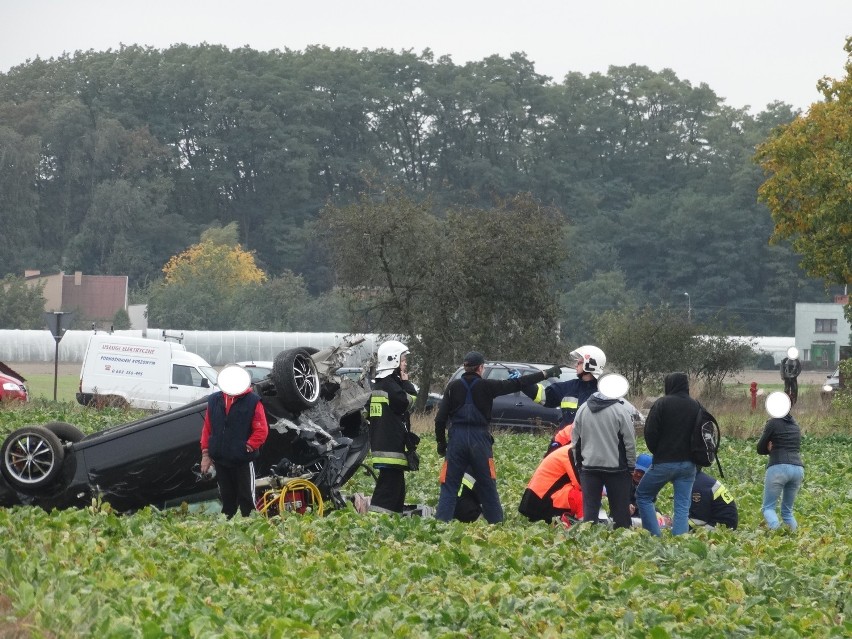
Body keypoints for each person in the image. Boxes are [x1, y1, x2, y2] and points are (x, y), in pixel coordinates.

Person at [434, 351, 562, 523]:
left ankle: (441, 525)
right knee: (487, 486)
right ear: (480, 368)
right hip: (480, 440)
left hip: (457, 438)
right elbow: (518, 383)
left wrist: (441, 444)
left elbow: (440, 419)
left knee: (449, 485)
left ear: (465, 367)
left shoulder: (453, 387)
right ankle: (496, 525)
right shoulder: (487, 386)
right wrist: (545, 374)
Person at [200, 365, 269, 518]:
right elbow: (207, 429)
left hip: (242, 460)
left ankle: (251, 530)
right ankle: (229, 533)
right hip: (220, 460)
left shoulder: (253, 401)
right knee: (227, 499)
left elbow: (261, 429)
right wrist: (206, 455)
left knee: (246, 500)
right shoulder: (214, 400)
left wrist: (248, 447)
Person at [635, 372, 700, 536]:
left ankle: (654, 536)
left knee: (643, 495)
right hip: (689, 464)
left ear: (669, 385)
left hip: (664, 462)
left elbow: (650, 432)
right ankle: (679, 541)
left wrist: (657, 451)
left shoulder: (662, 403)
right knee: (682, 505)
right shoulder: (696, 405)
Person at [572, 377, 636, 529]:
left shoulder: (582, 409)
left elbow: (575, 440)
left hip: (589, 467)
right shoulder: (621, 410)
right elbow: (629, 442)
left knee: (590, 510)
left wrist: (579, 463)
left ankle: (588, 542)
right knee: (620, 511)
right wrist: (631, 466)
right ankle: (622, 542)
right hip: (616, 468)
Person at [522, 345, 606, 455]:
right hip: (563, 444)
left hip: (590, 449)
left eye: (580, 362)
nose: (576, 365)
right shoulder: (569, 387)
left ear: (590, 365)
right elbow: (543, 396)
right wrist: (522, 383)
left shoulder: (604, 393)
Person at [367, 340, 419, 515]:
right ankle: (378, 520)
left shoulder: (379, 384)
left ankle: (391, 520)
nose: (405, 364)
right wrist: (406, 383)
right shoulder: (391, 385)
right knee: (388, 490)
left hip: (382, 445)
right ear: (394, 360)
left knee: (396, 490)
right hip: (391, 449)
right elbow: (407, 401)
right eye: (403, 360)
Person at [631, 454, 737, 530]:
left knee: (686, 537)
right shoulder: (697, 480)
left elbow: (698, 519)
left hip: (722, 526)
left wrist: (672, 526)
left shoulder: (696, 486)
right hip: (717, 520)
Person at [757, 395, 804, 530]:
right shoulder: (795, 425)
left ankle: (776, 533)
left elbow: (760, 448)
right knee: (787, 511)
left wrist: (768, 449)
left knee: (768, 508)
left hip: (778, 467)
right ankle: (794, 540)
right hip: (798, 469)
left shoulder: (773, 423)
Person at [518, 442, 584, 523]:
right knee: (585, 495)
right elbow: (580, 483)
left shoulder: (572, 449)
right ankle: (585, 524)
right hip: (541, 502)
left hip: (535, 500)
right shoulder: (572, 452)